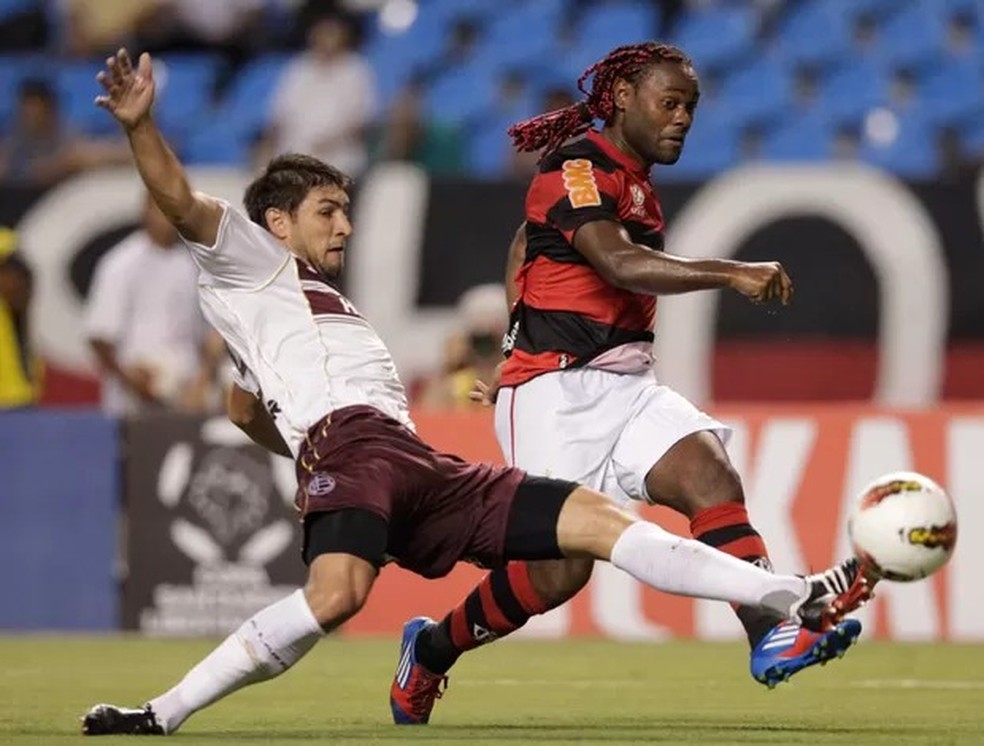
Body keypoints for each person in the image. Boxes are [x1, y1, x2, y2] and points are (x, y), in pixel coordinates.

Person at [80, 48, 867, 736]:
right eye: (328, 211)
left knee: (597, 523)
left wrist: (302, 448)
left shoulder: (315, 307)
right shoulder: (250, 262)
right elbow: (182, 204)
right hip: (355, 450)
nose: (346, 226)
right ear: (275, 224)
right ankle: (163, 712)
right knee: (339, 596)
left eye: (349, 210)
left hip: (415, 459)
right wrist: (141, 127)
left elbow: (242, 409)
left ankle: (782, 601)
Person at [390, 42, 868, 725]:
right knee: (560, 570)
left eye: (691, 108)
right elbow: (617, 263)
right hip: (556, 394)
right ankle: (431, 649)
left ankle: (772, 632)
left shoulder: (633, 178)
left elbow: (523, 247)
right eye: (668, 103)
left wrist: (510, 334)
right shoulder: (575, 166)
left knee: (710, 475)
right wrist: (731, 272)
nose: (682, 119)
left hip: (628, 383)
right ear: (620, 98)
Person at [85, 193, 213, 415]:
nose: (166, 217)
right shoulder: (121, 263)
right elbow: (99, 336)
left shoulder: (191, 265)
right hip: (134, 399)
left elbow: (205, 335)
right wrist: (129, 379)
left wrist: (202, 380)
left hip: (184, 395)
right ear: (145, 211)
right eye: (159, 209)